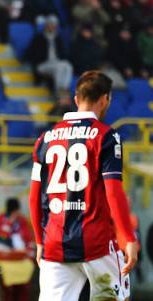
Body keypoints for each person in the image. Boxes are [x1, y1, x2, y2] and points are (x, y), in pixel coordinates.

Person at [29, 70, 139, 301]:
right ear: (105, 99)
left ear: (76, 99)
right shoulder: (107, 137)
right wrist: (128, 238)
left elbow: (34, 196)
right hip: (97, 244)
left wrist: (40, 241)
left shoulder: (45, 138)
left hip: (55, 243)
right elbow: (113, 191)